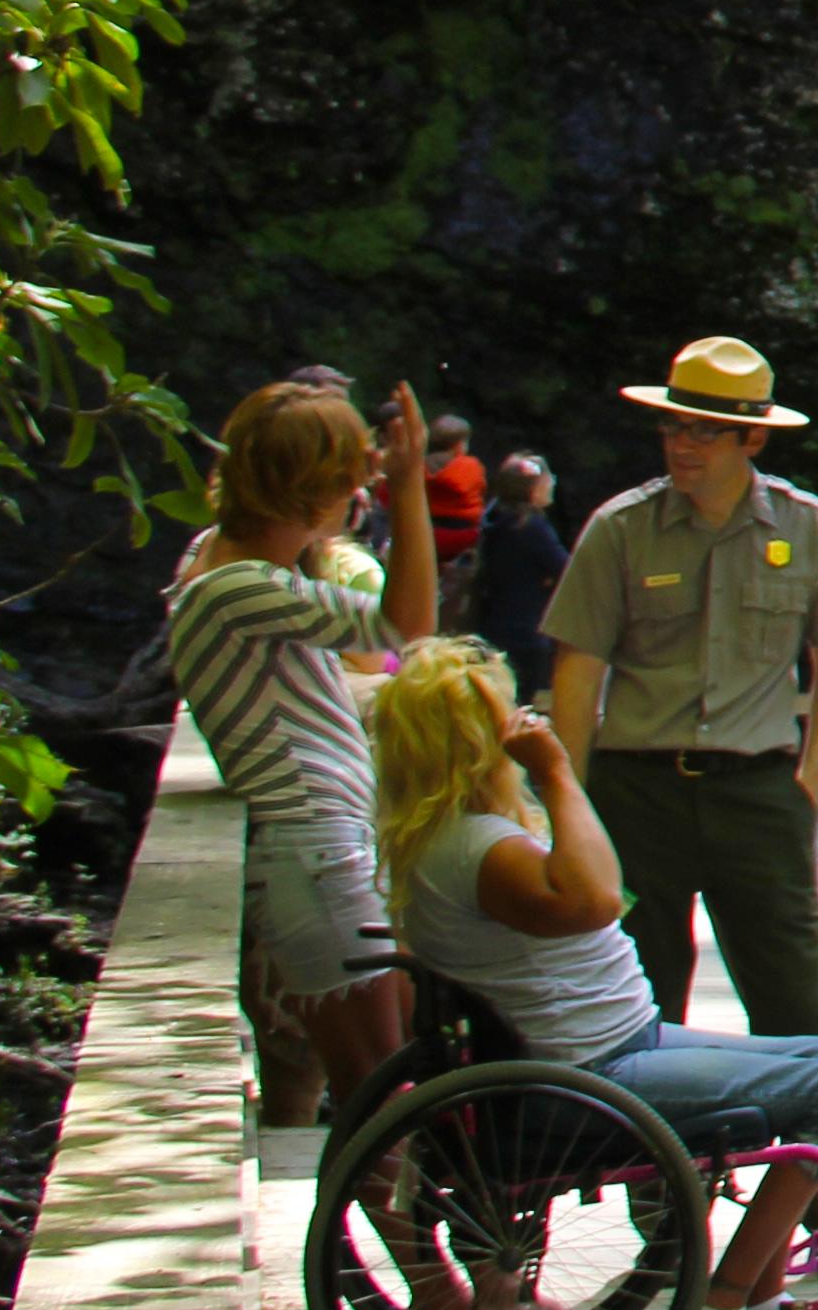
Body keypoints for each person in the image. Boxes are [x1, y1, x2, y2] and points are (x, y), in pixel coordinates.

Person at [371, 638, 818, 1310]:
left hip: (593, 1051)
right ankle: (723, 1302)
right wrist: (559, 772)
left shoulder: (440, 840)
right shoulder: (486, 850)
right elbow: (600, 897)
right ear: (480, 743)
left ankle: (760, 1305)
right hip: (589, 1076)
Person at [541, 334, 818, 1287]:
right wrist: (568, 800)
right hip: (635, 789)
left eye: (706, 429)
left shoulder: (806, 527)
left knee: (794, 997)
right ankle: (666, 1223)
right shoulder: (620, 530)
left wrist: (809, 780)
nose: (683, 444)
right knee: (639, 1004)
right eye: (674, 424)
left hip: (758, 790)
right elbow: (577, 672)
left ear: (752, 440)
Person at [168, 378, 437, 1104]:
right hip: (314, 856)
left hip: (322, 853)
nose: (361, 496)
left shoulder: (232, 566)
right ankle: (392, 1222)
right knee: (381, 1089)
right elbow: (404, 624)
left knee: (384, 1079)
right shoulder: (238, 586)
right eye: (351, 480)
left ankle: (372, 1221)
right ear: (312, 489)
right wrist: (411, 489)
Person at [469, 453, 571, 699]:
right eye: (548, 479)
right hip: (526, 633)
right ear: (533, 489)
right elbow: (566, 571)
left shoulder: (493, 520)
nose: (553, 484)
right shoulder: (533, 528)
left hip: (492, 625)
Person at [421, 414, 487, 623]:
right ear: (459, 445)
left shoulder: (418, 466)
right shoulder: (470, 467)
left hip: (426, 536)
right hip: (463, 539)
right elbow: (479, 491)